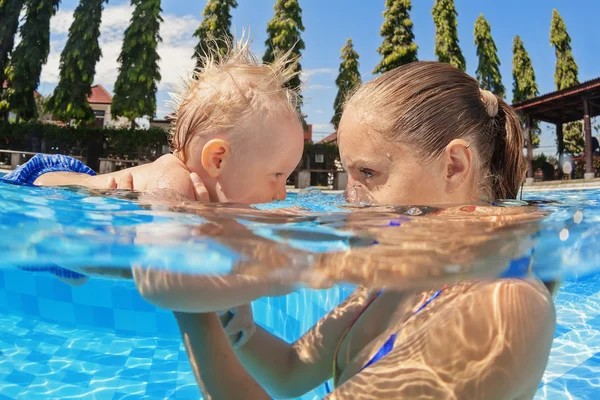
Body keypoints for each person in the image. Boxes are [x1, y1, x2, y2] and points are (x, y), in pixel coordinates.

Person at [138, 62, 557, 399]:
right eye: (348, 174)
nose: (349, 199)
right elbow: (290, 373)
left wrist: (177, 286)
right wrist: (209, 304)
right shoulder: (402, 270)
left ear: (454, 167)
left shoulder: (497, 304)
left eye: (368, 173)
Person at [1, 39, 304, 284]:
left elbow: (233, 217)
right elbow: (160, 268)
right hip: (41, 186)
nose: (281, 192)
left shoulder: (207, 188)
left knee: (76, 269)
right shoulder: (174, 182)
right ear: (218, 159)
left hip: (74, 234)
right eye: (277, 175)